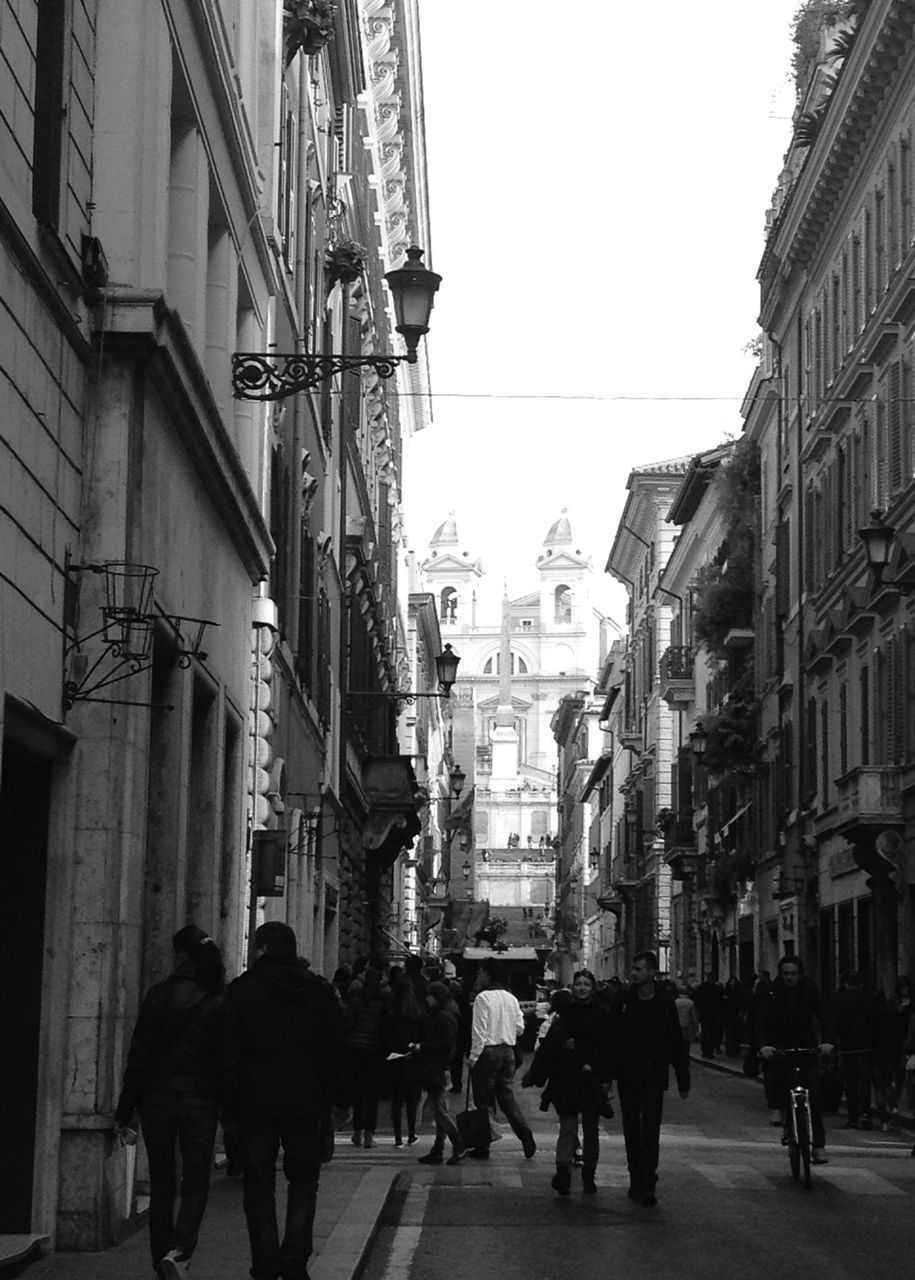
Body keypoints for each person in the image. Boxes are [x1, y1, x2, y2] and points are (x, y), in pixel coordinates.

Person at [225, 921, 348, 1280]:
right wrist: (341, 1097)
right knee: (304, 1180)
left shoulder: (241, 991)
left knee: (259, 1183)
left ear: (262, 949)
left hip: (255, 1103)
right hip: (305, 1101)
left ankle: (265, 1262)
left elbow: (228, 1053)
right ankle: (294, 1258)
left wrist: (228, 1106)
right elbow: (336, 1047)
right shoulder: (320, 991)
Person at [115, 925, 231, 1280]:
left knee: (163, 1181)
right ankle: (179, 1251)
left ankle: (159, 1258)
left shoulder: (157, 995)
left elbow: (139, 1057)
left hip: (157, 1100)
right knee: (196, 1179)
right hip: (201, 1100)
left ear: (181, 955)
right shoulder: (218, 999)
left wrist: (126, 1110)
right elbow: (227, 1058)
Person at [522, 969, 613, 1196]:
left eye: (586, 984)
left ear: (592, 988)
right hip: (568, 1080)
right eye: (578, 984)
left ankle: (588, 1174)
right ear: (573, 988)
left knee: (591, 1130)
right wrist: (536, 1073)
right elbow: (550, 1047)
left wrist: (601, 1073)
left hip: (590, 1078)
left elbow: (607, 1047)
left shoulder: (601, 1014)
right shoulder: (565, 1014)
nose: (582, 988)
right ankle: (563, 1172)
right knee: (568, 1128)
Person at [612, 950, 690, 1207]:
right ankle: (636, 1177)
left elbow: (675, 1040)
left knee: (651, 1129)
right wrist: (608, 1074)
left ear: (651, 973)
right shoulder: (623, 1000)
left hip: (654, 1074)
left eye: (638, 969)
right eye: (633, 968)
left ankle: (649, 1181)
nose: (633, 972)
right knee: (632, 1129)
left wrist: (682, 1076)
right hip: (628, 1074)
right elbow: (612, 1038)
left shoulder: (664, 1002)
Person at [759, 953, 832, 1165]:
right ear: (780, 975)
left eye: (793, 974)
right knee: (776, 1079)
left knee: (814, 1096)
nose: (789, 978)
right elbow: (761, 1021)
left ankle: (818, 1145)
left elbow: (824, 1016)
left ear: (800, 975)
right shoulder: (772, 992)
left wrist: (827, 1042)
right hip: (780, 1046)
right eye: (785, 974)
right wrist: (764, 1045)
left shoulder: (810, 991)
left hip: (805, 1046)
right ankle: (777, 1107)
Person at [467, 958, 537, 1159]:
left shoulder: (482, 999)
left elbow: (478, 1032)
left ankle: (483, 1146)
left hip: (488, 1053)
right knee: (506, 1098)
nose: (478, 976)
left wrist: (473, 1057)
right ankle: (524, 1133)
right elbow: (520, 1028)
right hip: (508, 1052)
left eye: (480, 972)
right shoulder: (510, 998)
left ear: (487, 974)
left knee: (483, 1100)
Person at [412, 981, 466, 1165]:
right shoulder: (442, 1015)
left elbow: (445, 1043)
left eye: (429, 995)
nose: (427, 998)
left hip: (438, 1068)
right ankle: (438, 1149)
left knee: (436, 1110)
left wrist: (422, 1047)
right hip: (437, 1067)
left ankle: (459, 1144)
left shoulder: (443, 1017)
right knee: (438, 1108)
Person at [344, 961, 391, 1149]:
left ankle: (356, 1132)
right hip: (375, 1050)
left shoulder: (356, 998)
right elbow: (386, 1025)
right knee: (372, 1095)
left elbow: (348, 1022)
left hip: (356, 1048)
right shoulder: (384, 1000)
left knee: (357, 1091)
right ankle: (369, 1136)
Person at [828, 970, 877, 1130]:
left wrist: (835, 1043)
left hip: (848, 1048)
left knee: (850, 1085)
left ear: (846, 984)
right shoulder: (869, 1000)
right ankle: (865, 1115)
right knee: (864, 1085)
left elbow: (836, 1024)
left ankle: (853, 1117)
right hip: (865, 1048)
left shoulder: (840, 1001)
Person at [386, 966, 425, 1147]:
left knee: (396, 1099)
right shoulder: (417, 1011)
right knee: (412, 1100)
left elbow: (384, 1032)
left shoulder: (391, 1010)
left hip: (394, 1058)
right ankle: (411, 1135)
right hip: (413, 1058)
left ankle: (397, 1138)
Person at [721, 976, 747, 1058]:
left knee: (737, 1034)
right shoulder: (726, 992)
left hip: (737, 1016)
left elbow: (742, 1003)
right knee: (729, 1033)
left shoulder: (739, 992)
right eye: (731, 981)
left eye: (734, 981)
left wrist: (742, 1012)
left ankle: (735, 1048)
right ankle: (729, 1049)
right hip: (728, 1016)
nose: (733, 983)